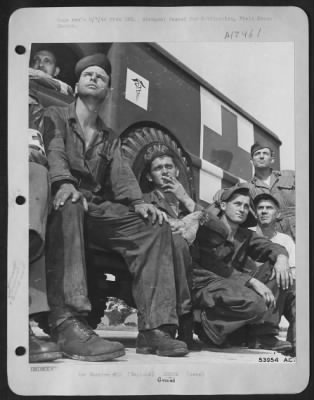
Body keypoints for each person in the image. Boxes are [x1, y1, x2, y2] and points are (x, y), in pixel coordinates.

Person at [42, 53, 189, 361]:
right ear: (76, 84)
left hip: (95, 210)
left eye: (101, 77)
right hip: (60, 200)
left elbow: (121, 176)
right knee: (70, 202)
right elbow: (54, 151)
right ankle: (68, 323)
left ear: (108, 90)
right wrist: (63, 183)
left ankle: (154, 329)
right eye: (88, 74)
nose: (94, 78)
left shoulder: (110, 137)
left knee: (155, 224)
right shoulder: (56, 114)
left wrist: (139, 203)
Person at [192, 183, 294, 353]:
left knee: (275, 267)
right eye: (237, 204)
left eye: (246, 206)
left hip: (234, 291)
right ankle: (208, 325)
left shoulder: (245, 235)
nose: (242, 209)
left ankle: (263, 334)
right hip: (208, 287)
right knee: (251, 302)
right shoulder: (207, 230)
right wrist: (251, 281)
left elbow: (269, 247)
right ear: (223, 206)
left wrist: (282, 257)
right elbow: (213, 266)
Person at [143, 144, 202, 348]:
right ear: (150, 177)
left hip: (197, 271)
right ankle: (182, 323)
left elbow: (220, 230)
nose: (165, 171)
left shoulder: (189, 202)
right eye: (158, 168)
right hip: (165, 265)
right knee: (176, 241)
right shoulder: (145, 201)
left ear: (176, 171)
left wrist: (184, 198)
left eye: (169, 166)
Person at [28, 50, 64, 362]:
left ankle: (25, 316)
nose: (40, 63)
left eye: (47, 60)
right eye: (35, 58)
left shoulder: (48, 113)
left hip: (33, 169)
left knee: (40, 182)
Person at [252, 192, 296, 355]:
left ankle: (298, 347)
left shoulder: (285, 240)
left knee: (299, 299)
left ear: (278, 214)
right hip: (253, 288)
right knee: (273, 268)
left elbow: (293, 274)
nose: (263, 211)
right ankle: (265, 335)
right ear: (255, 213)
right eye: (260, 208)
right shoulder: (248, 234)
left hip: (280, 291)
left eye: (269, 208)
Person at [248, 142, 295, 241]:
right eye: (257, 154)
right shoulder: (249, 188)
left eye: (265, 153)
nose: (261, 156)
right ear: (251, 161)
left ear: (272, 159)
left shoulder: (290, 176)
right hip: (274, 238)